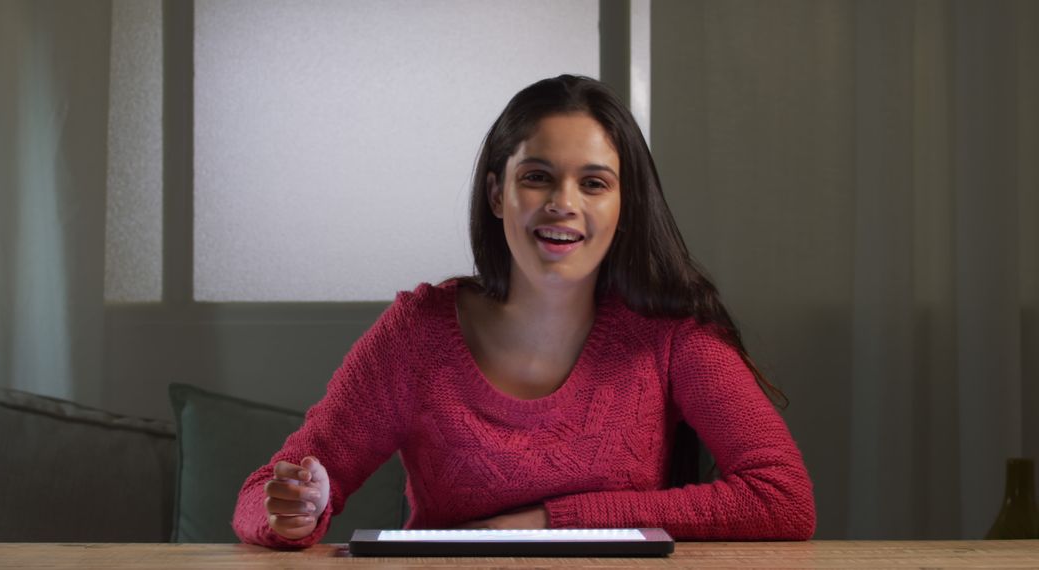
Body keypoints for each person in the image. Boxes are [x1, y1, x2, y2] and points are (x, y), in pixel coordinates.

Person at [233, 75, 816, 548]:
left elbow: (783, 497)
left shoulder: (672, 336)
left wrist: (544, 523)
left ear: (624, 205)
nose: (564, 204)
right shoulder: (417, 334)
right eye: (537, 178)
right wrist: (292, 512)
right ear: (496, 194)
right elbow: (266, 492)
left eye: (594, 183)